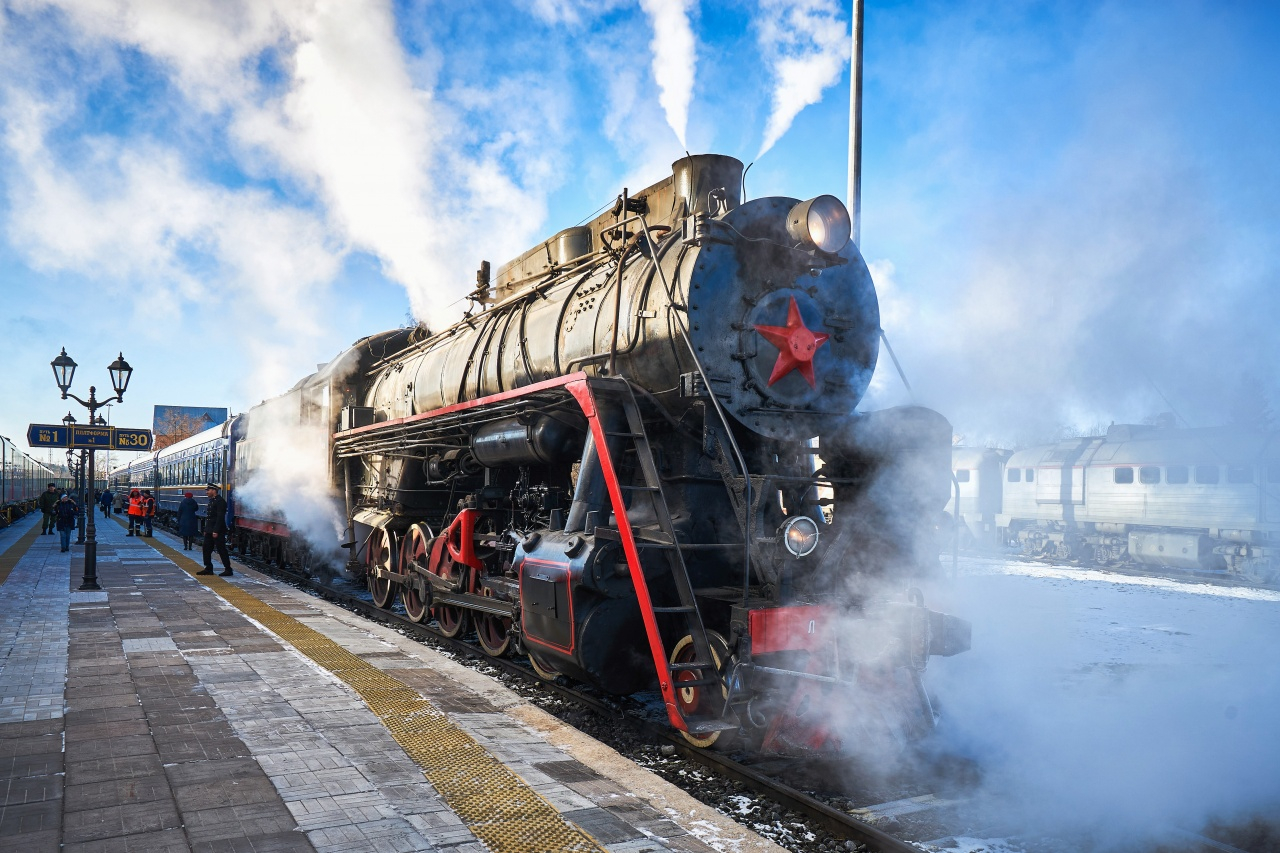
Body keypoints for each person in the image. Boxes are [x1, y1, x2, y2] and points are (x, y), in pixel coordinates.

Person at [198, 484, 232, 577]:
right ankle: (208, 568)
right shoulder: (212, 501)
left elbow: (220, 518)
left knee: (221, 550)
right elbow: (209, 517)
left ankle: (228, 569)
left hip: (218, 530)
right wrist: (206, 529)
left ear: (214, 490)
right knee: (206, 549)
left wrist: (215, 531)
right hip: (210, 530)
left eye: (208, 490)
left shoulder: (220, 502)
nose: (206, 492)